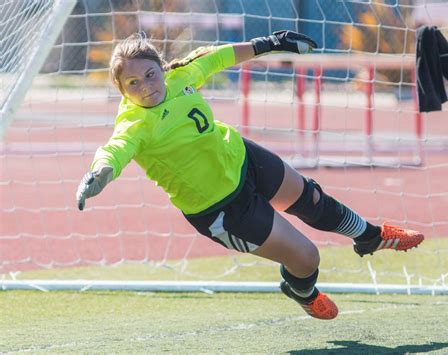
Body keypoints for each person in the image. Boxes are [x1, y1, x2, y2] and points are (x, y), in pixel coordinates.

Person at [76, 30, 424, 320]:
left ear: (162, 70)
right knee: (307, 259)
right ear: (122, 90)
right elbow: (114, 150)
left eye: (150, 75)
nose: (145, 87)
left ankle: (369, 236)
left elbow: (217, 55)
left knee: (310, 199)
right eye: (132, 83)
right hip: (220, 209)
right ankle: (301, 291)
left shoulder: (182, 75)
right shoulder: (134, 124)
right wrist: (99, 174)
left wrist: (272, 42)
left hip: (240, 157)